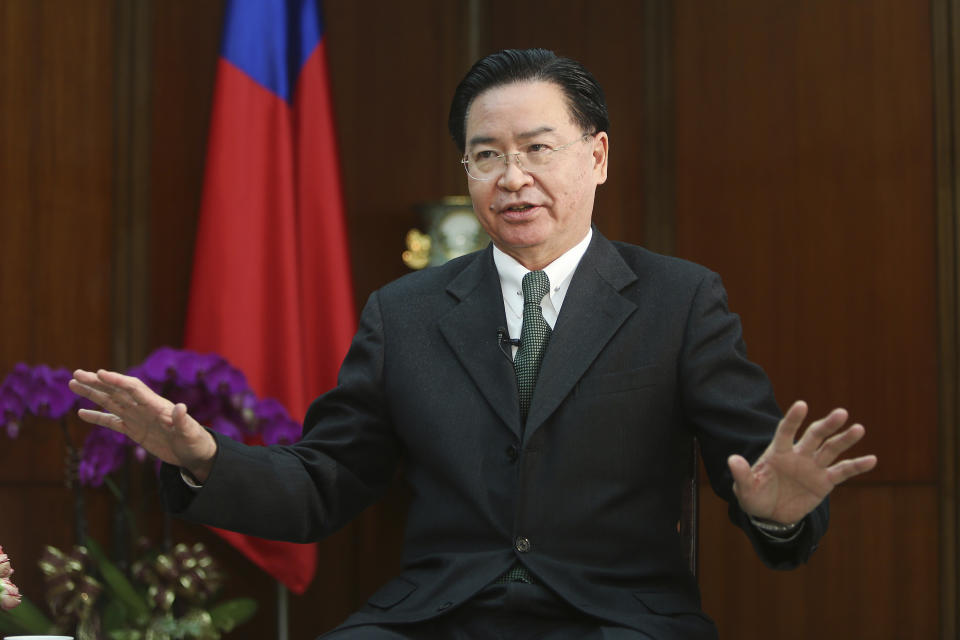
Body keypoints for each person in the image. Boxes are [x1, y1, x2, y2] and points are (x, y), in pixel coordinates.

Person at [70, 48, 877, 639]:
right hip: (436, 615)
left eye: (537, 148)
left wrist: (774, 513)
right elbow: (326, 481)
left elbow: (759, 473)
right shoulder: (406, 313)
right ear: (466, 169)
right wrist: (204, 455)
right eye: (487, 155)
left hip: (616, 618)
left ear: (597, 156)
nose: (512, 177)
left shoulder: (679, 300)